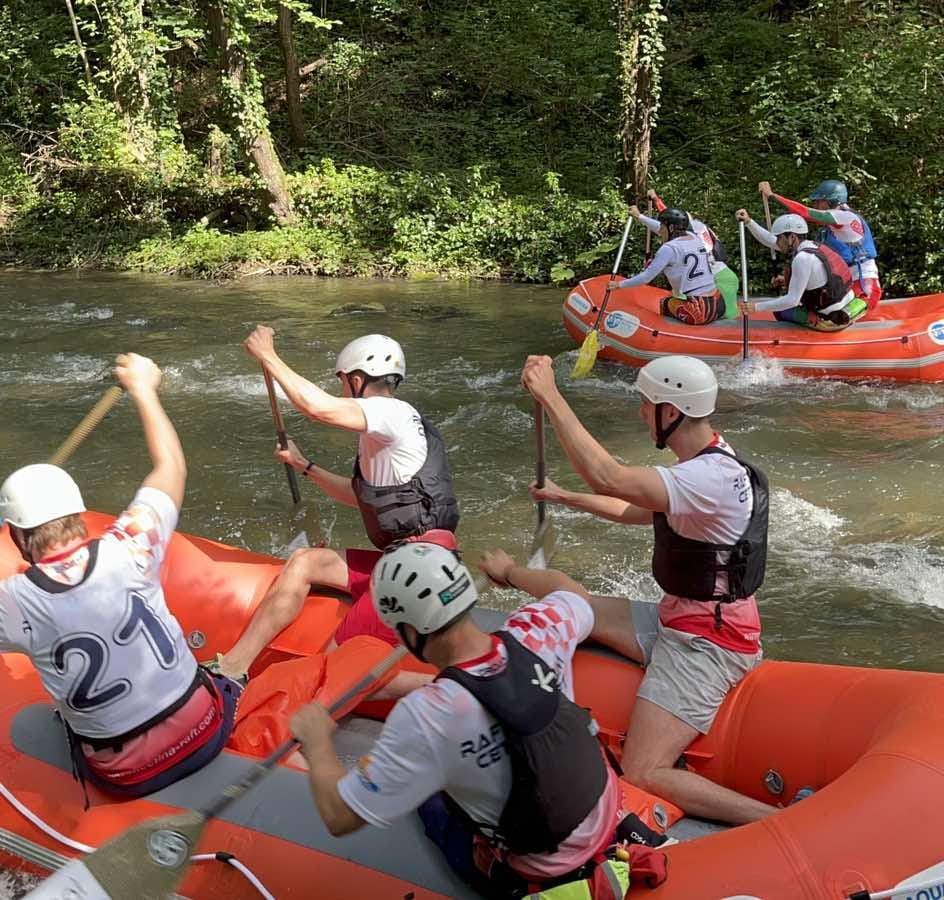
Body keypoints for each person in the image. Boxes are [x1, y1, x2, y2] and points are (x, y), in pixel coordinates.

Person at [0, 353, 238, 798]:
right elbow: (171, 466)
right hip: (206, 731)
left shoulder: (12, 599)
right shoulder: (131, 543)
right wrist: (144, 391)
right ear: (78, 511)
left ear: (17, 536)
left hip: (128, 772)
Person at [289, 542, 651, 899]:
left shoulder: (425, 716)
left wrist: (318, 740)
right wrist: (510, 573)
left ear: (411, 633)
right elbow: (572, 592)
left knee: (429, 798)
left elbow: (340, 816)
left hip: (544, 874)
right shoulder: (536, 630)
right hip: (600, 822)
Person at [519, 353, 777, 825]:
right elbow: (636, 508)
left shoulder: (707, 477)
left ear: (671, 411)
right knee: (577, 606)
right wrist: (565, 497)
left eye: (646, 404)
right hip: (678, 619)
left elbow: (611, 477)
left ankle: (771, 820)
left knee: (643, 770)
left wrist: (551, 396)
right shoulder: (713, 457)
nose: (640, 413)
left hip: (708, 644)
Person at [211, 328, 461, 685]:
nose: (344, 389)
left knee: (330, 677)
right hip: (404, 558)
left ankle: (453, 686)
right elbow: (360, 496)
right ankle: (234, 667)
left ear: (358, 379)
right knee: (305, 561)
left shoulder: (390, 413)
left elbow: (317, 408)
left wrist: (268, 356)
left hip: (416, 570)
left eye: (344, 381)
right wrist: (305, 466)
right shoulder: (386, 432)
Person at [761, 179, 883, 311]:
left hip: (864, 288)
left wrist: (772, 195)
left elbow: (805, 213)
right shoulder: (828, 231)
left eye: (818, 201)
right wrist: (748, 222)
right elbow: (780, 245)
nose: (815, 205)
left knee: (840, 317)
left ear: (831, 201)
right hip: (844, 287)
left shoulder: (846, 217)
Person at [736, 210, 866, 332]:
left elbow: (791, 301)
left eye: (780, 238)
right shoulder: (815, 246)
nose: (777, 243)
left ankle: (801, 335)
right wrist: (748, 222)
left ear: (792, 237)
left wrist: (756, 307)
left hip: (830, 319)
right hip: (847, 307)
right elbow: (770, 241)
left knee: (781, 310)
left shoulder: (802, 258)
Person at [619, 205, 726, 326]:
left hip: (701, 311)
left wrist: (619, 285)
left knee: (665, 303)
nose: (660, 230)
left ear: (670, 228)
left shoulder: (668, 249)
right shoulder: (694, 238)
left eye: (662, 226)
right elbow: (659, 228)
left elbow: (646, 277)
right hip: (720, 303)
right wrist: (639, 216)